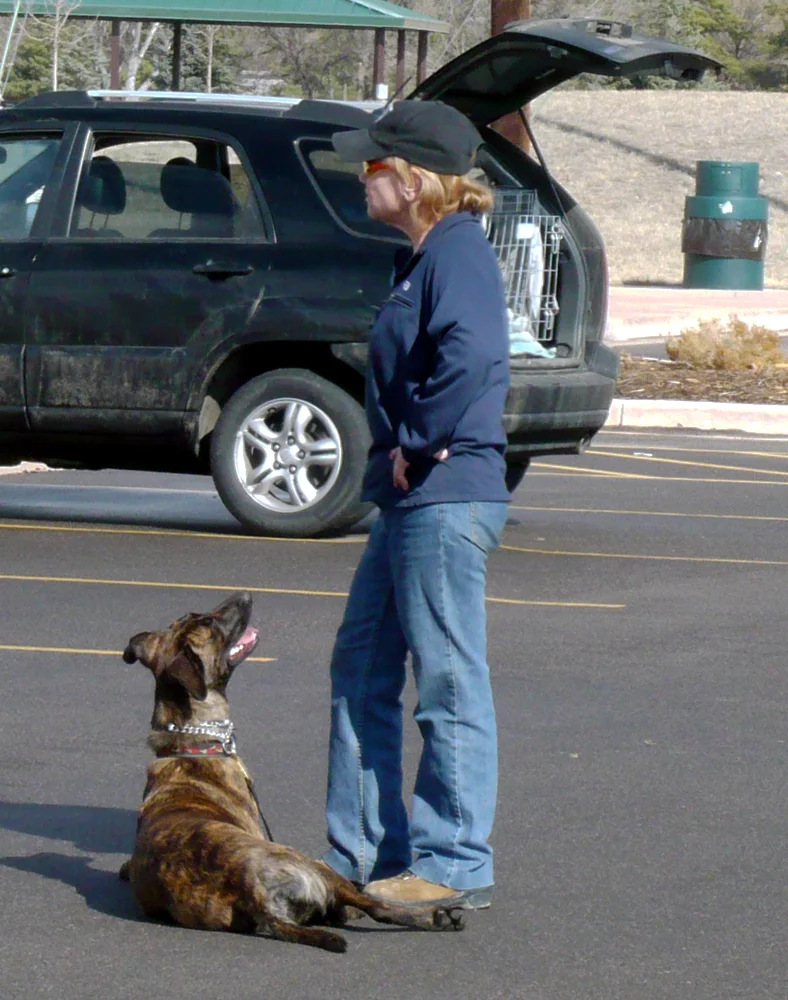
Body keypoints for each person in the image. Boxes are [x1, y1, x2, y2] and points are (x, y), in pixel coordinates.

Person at [323, 100, 511, 909]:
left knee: (446, 681)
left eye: (372, 166)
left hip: (443, 495)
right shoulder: (425, 256)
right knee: (362, 666)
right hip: (409, 501)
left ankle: (450, 866)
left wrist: (423, 436)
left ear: (412, 178)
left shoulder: (459, 253)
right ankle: (366, 857)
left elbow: (473, 351)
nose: (361, 177)